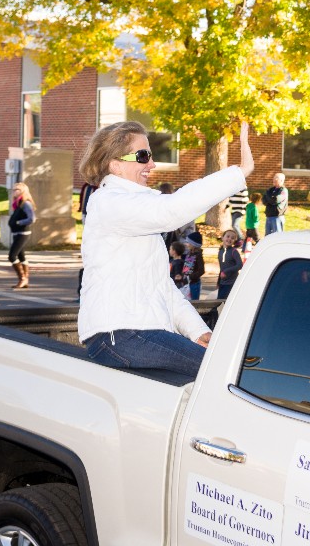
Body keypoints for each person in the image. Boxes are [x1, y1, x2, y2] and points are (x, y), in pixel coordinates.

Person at [77, 119, 253, 378]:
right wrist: (240, 171)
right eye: (143, 156)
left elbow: (161, 286)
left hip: (132, 332)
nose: (152, 164)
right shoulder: (109, 203)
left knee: (219, 371)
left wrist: (197, 331)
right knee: (222, 374)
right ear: (115, 165)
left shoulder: (131, 207)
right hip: (120, 333)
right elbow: (172, 210)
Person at [8, 182, 36, 290]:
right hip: (16, 233)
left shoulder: (25, 203)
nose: (14, 192)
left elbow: (32, 218)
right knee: (21, 256)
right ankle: (25, 280)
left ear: (23, 191)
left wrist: (19, 223)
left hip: (23, 233)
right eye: (14, 189)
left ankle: (22, 278)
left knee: (12, 256)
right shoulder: (18, 203)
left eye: (17, 190)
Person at [217, 229, 244, 300]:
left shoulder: (234, 252)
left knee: (221, 302)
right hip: (222, 282)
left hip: (231, 283)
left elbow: (240, 265)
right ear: (222, 237)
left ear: (234, 241)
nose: (229, 239)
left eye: (232, 238)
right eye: (228, 236)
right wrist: (218, 281)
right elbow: (221, 268)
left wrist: (226, 271)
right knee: (219, 302)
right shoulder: (220, 251)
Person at [182, 232, 206, 300]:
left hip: (194, 284)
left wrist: (190, 277)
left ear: (193, 244)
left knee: (194, 303)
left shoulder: (198, 256)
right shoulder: (189, 254)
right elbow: (186, 266)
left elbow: (201, 270)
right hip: (187, 283)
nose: (186, 244)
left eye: (188, 243)